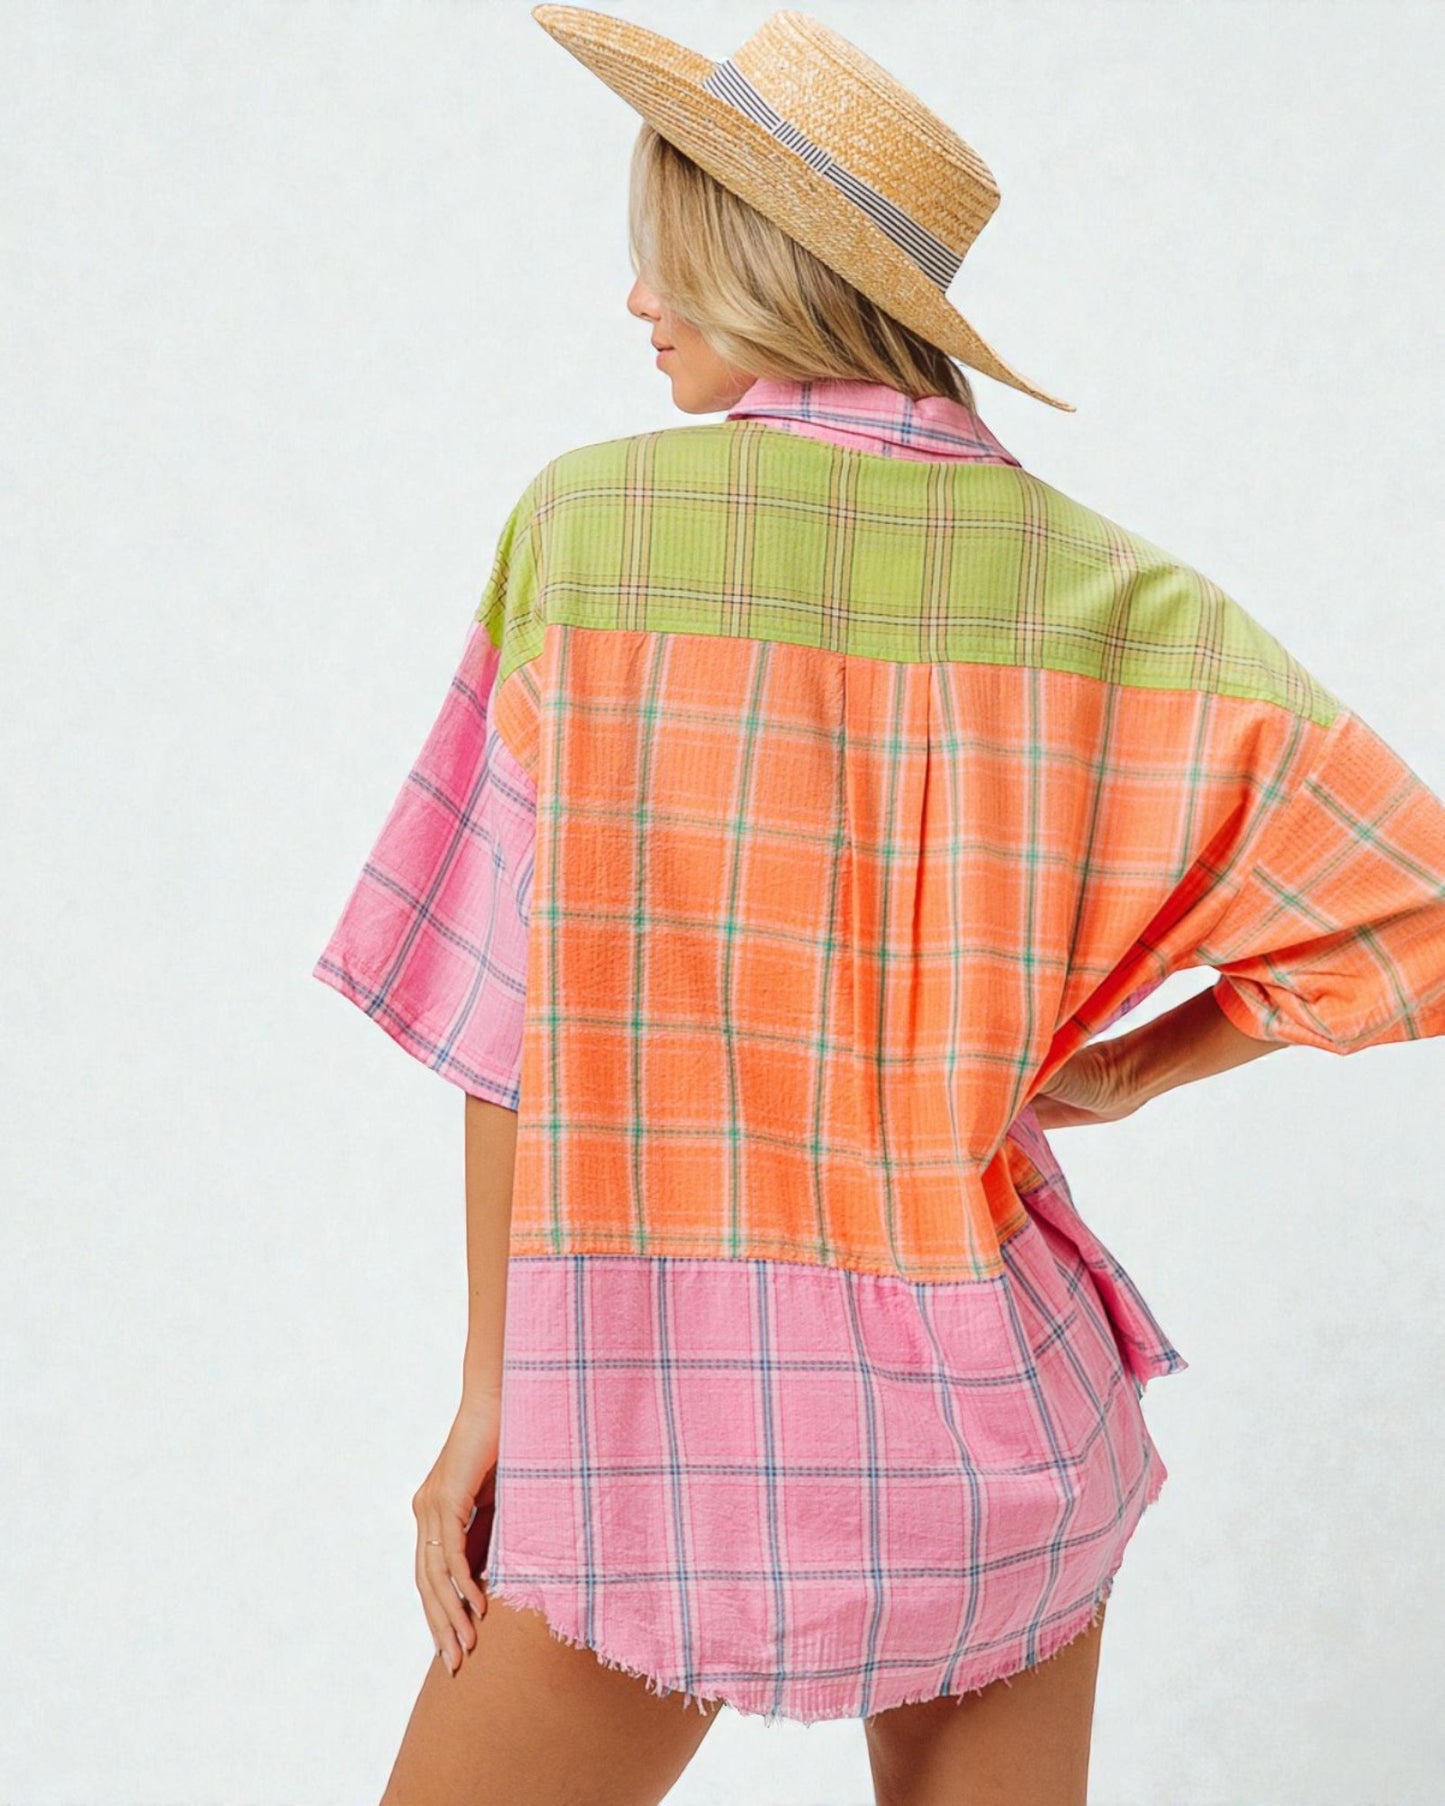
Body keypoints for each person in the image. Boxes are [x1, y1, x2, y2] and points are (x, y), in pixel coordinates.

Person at [310, 9, 1445, 1803]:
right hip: (992, 1419)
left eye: (659, 247)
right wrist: (1136, 1071)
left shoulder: (592, 534)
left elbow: (501, 1008)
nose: (633, 299)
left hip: (657, 1421)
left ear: (751, 258)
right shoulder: (1104, 591)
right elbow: (1419, 900)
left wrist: (491, 1393)